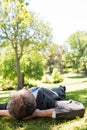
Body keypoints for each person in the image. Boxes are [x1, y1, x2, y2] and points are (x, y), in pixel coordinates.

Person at [0, 86, 85, 120]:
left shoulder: (13, 104)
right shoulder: (48, 103)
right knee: (60, 89)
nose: (24, 87)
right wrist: (38, 113)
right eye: (26, 90)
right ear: (35, 105)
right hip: (52, 92)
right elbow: (79, 108)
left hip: (40, 89)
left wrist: (6, 112)